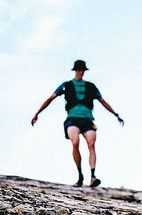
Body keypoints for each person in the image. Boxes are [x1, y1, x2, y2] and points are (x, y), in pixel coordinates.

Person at [30, 59, 124, 187]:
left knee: (91, 143)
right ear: (75, 71)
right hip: (72, 119)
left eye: (82, 70)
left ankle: (92, 176)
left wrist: (116, 115)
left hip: (87, 119)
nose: (81, 72)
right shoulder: (66, 85)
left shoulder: (91, 87)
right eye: (79, 70)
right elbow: (50, 99)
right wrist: (37, 113)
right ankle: (80, 175)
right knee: (75, 142)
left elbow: (103, 101)